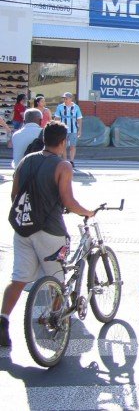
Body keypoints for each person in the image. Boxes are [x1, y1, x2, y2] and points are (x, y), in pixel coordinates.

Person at [0, 121, 96, 347]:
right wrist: (88, 212)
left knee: (18, 279)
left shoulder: (26, 161)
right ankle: (54, 320)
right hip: (50, 230)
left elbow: (15, 195)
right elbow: (68, 201)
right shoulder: (63, 166)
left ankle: (3, 320)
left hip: (23, 229)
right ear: (63, 142)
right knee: (58, 280)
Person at [54, 92, 82, 167]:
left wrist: (79, 130)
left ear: (70, 99)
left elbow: (79, 119)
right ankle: (65, 161)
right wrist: (57, 128)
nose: (65, 100)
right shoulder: (60, 107)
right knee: (63, 146)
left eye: (66, 98)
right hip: (63, 129)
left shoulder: (76, 107)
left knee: (73, 146)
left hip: (73, 130)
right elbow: (57, 118)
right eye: (64, 98)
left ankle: (71, 161)